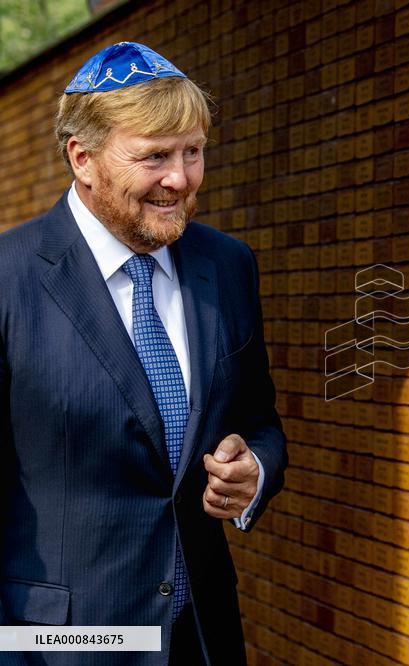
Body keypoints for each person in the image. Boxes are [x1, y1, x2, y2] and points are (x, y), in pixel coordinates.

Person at [0, 42, 287, 665]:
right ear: (83, 158)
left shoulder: (229, 265)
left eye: (193, 152)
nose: (180, 179)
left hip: (202, 638)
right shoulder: (8, 278)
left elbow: (258, 418)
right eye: (155, 156)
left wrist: (254, 469)